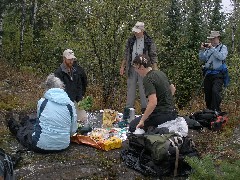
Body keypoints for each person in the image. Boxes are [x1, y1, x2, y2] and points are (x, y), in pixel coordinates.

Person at [6, 74, 78, 153]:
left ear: (47, 88)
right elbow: (72, 131)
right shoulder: (70, 105)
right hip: (63, 146)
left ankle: (15, 124)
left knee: (24, 133)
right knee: (34, 125)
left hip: (40, 146)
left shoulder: (42, 102)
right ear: (62, 87)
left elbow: (39, 124)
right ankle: (24, 120)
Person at [129, 54, 177, 132]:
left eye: (136, 68)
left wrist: (142, 120)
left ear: (141, 67)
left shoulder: (148, 79)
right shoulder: (160, 73)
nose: (136, 71)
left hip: (163, 114)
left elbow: (153, 103)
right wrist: (164, 100)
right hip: (172, 112)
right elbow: (173, 89)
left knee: (133, 126)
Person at [120, 22, 158, 113]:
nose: (135, 33)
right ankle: (128, 111)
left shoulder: (148, 41)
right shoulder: (131, 40)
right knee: (130, 89)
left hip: (144, 69)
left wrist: (155, 69)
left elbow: (153, 55)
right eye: (135, 31)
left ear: (142, 31)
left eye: (137, 31)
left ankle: (145, 111)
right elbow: (126, 54)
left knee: (143, 89)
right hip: (132, 67)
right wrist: (122, 66)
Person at [199, 31, 228, 112]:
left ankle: (216, 111)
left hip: (218, 74)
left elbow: (221, 57)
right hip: (208, 74)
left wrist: (212, 48)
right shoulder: (209, 48)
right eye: (211, 39)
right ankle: (209, 111)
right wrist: (202, 50)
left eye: (213, 38)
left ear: (218, 38)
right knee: (208, 94)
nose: (212, 40)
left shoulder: (223, 47)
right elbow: (202, 58)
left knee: (215, 91)